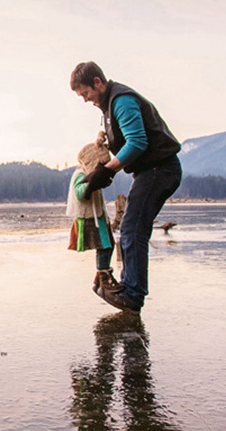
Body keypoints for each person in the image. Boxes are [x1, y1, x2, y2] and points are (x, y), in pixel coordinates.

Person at [70, 61, 182, 313]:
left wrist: (107, 169)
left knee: (132, 228)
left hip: (160, 169)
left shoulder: (122, 100)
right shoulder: (110, 105)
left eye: (86, 93)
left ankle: (132, 293)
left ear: (98, 83)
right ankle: (132, 289)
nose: (86, 100)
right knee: (133, 227)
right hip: (151, 171)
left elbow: (138, 142)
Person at [66, 132, 117, 294]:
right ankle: (103, 276)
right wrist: (92, 182)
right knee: (104, 245)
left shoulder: (85, 174)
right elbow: (80, 193)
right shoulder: (80, 175)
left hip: (98, 216)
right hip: (88, 218)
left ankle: (100, 277)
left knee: (108, 244)